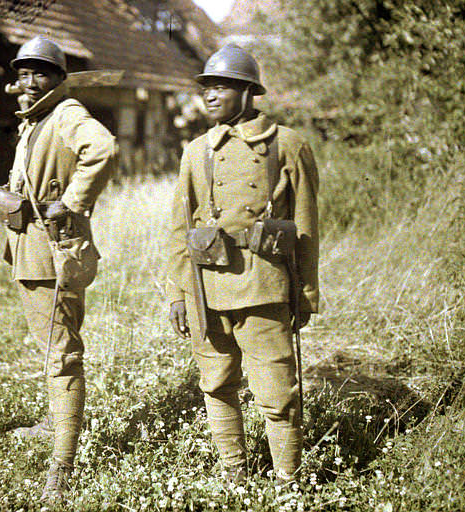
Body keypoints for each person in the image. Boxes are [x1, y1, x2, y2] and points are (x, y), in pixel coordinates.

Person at [165, 44, 319, 485]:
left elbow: (306, 225)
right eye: (207, 87)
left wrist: (305, 292)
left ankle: (288, 482)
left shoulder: (287, 145)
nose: (211, 95)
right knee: (216, 384)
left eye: (223, 85)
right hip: (206, 287)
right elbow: (179, 227)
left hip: (264, 284)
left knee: (276, 392)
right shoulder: (196, 151)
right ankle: (235, 476)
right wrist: (178, 292)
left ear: (249, 91)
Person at [2, 35, 117, 501]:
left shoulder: (66, 113)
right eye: (23, 73)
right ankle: (56, 422)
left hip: (52, 252)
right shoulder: (36, 117)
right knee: (55, 344)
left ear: (58, 79)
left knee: (61, 354)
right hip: (35, 251)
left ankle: (61, 467)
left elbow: (103, 148)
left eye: (40, 73)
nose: (28, 82)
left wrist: (70, 202)